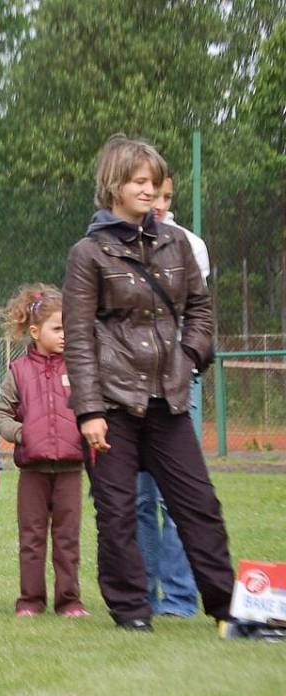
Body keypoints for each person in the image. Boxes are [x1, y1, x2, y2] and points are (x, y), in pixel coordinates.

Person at [62, 133, 234, 632]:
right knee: (117, 513)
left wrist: (189, 356)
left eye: (154, 183)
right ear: (114, 185)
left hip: (170, 400)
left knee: (199, 505)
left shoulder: (177, 242)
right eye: (140, 182)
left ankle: (229, 608)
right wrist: (89, 412)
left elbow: (200, 309)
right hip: (112, 404)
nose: (150, 191)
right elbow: (77, 335)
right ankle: (132, 611)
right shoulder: (88, 253)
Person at [135, 172, 209, 618]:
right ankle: (140, 592)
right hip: (127, 386)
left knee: (176, 496)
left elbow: (197, 313)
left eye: (166, 195)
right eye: (150, 193)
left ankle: (179, 598)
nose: (158, 203)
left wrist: (185, 364)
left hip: (176, 382)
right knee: (138, 497)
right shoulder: (108, 241)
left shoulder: (189, 245)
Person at [0, 285, 89, 618]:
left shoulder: (78, 369)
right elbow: (0, 415)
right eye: (58, 328)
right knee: (31, 539)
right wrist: (23, 434)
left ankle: (70, 601)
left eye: (69, 328)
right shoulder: (18, 372)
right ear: (35, 332)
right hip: (32, 473)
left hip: (71, 472)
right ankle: (30, 601)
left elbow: (92, 409)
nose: (65, 335)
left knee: (68, 540)